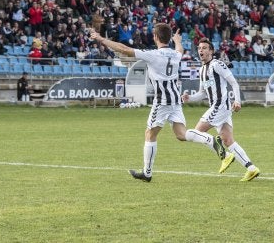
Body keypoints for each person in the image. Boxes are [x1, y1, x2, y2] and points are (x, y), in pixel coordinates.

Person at [91, 23, 227, 182]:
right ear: (168, 38)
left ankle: (147, 173)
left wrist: (101, 39)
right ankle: (209, 140)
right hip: (175, 99)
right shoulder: (175, 55)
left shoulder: (153, 54)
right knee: (181, 134)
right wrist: (177, 40)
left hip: (162, 101)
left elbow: (124, 49)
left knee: (150, 133)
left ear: (155, 37)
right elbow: (180, 50)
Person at [182, 37, 260, 182]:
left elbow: (233, 82)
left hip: (220, 106)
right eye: (199, 48)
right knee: (228, 140)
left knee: (197, 132)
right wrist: (190, 98)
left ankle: (224, 156)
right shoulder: (202, 70)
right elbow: (202, 93)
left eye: (205, 48)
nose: (201, 51)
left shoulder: (217, 64)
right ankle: (251, 168)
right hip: (218, 108)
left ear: (211, 51)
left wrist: (237, 100)